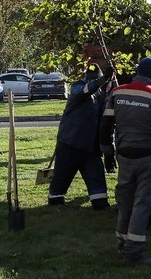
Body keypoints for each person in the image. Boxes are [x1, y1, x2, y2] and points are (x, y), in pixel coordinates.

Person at [98, 57, 151, 265]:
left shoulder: (118, 92)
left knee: (125, 202)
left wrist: (107, 151)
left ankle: (122, 245)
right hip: (148, 158)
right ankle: (134, 253)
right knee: (142, 204)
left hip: (124, 157)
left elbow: (105, 124)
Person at [47, 63, 113, 209]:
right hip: (70, 145)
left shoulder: (102, 96)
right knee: (57, 195)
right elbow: (85, 90)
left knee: (100, 199)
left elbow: (106, 123)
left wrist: (108, 150)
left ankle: (98, 200)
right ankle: (55, 196)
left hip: (91, 149)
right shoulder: (77, 88)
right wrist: (103, 80)